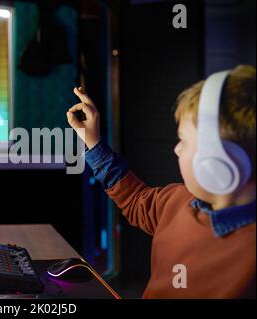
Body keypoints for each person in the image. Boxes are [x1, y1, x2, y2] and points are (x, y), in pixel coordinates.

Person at [67, 65, 256, 298]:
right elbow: (135, 199)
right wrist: (94, 143)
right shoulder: (177, 201)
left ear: (219, 161)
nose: (176, 149)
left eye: (183, 141)